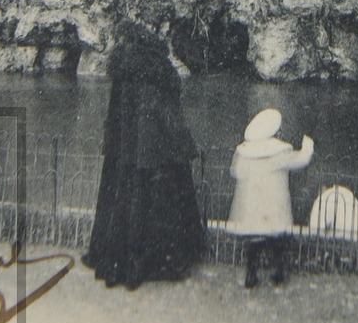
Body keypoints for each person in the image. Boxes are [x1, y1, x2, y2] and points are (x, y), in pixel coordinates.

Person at [84, 18, 205, 290]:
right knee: (157, 204)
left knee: (123, 203)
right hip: (156, 151)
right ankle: (152, 265)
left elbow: (114, 116)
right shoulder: (159, 70)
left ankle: (117, 263)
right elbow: (168, 117)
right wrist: (183, 145)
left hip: (123, 150)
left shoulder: (122, 69)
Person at [226, 108, 314, 289]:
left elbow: (236, 172)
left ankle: (251, 275)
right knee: (276, 238)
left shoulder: (244, 152)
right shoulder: (279, 152)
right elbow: (300, 161)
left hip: (253, 203)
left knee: (254, 240)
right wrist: (308, 145)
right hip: (274, 203)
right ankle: (278, 273)